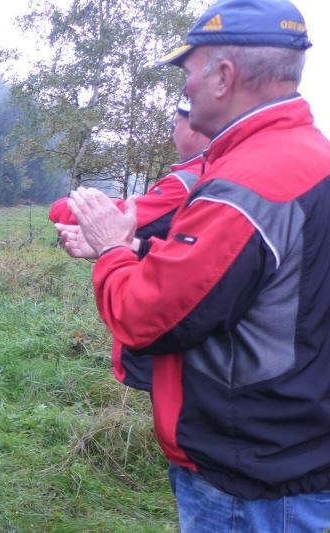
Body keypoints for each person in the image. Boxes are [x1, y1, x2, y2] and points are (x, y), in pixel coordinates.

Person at [66, 0, 330, 529]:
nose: (185, 90)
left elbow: (147, 317)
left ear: (223, 77)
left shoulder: (247, 186)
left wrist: (114, 250)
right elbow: (246, 288)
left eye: (188, 72)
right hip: (295, 452)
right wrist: (136, 253)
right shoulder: (310, 157)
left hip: (248, 480)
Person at [52, 97, 210, 391]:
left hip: (168, 328)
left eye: (174, 124)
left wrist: (65, 206)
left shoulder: (188, 181)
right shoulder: (212, 173)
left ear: (193, 126)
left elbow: (128, 218)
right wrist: (130, 245)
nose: (172, 134)